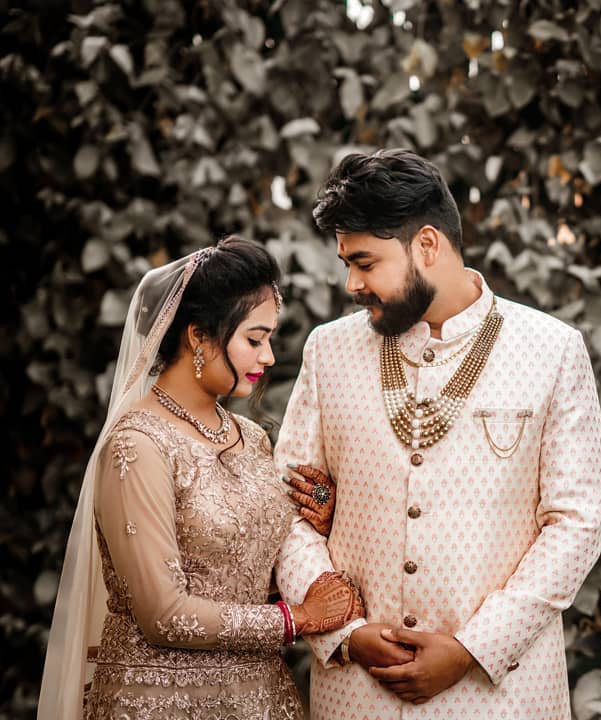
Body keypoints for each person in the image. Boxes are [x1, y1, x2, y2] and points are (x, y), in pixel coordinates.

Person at [276, 149, 601, 718]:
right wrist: (344, 632)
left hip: (501, 697)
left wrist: (472, 649)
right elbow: (285, 509)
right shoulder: (329, 350)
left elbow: (576, 524)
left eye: (366, 262)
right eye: (346, 263)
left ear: (427, 245)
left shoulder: (551, 351)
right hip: (358, 693)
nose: (352, 283)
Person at [38, 236, 364, 720]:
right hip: (159, 704)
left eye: (269, 339)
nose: (269, 357)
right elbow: (164, 615)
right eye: (254, 340)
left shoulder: (251, 438)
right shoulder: (138, 445)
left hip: (261, 699)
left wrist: (322, 514)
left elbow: (244, 573)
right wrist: (298, 619)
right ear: (198, 337)